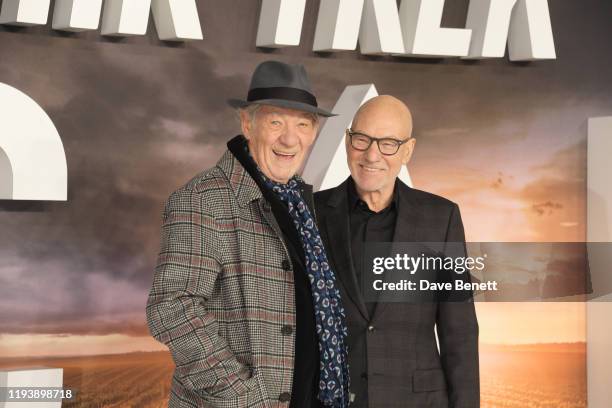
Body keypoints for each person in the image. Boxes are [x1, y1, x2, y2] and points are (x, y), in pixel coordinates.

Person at [146, 60, 350, 408]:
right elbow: (172, 308)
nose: (290, 138)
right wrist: (243, 397)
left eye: (302, 124)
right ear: (247, 124)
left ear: (314, 132)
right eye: (275, 122)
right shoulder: (203, 199)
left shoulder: (304, 203)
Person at [314, 96, 480, 407]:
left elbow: (460, 332)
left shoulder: (440, 218)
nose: (372, 154)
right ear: (348, 141)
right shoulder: (312, 214)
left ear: (407, 150)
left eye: (388, 142)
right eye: (361, 139)